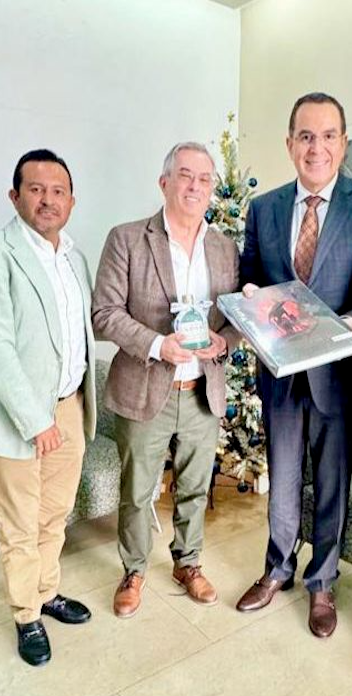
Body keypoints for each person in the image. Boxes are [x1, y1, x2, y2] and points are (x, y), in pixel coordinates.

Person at [236, 92, 352, 638]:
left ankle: (322, 582)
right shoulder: (265, 208)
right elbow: (249, 274)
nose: (316, 147)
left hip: (340, 374)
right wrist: (251, 295)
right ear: (290, 144)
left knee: (332, 482)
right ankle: (277, 569)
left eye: (328, 136)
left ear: (343, 143)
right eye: (305, 136)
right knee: (282, 477)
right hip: (282, 374)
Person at [0, 149, 97, 667]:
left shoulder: (75, 259)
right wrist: (37, 422)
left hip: (69, 408)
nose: (48, 200)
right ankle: (26, 614)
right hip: (18, 417)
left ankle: (46, 590)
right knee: (18, 522)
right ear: (15, 196)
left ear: (72, 201)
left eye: (58, 191)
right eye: (36, 189)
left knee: (54, 513)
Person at [92, 142, 239, 618]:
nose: (195, 186)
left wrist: (223, 341)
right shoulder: (128, 239)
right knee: (138, 491)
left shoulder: (224, 248)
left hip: (202, 392)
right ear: (164, 182)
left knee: (195, 487)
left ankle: (187, 563)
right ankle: (134, 570)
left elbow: (236, 316)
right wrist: (158, 344)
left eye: (204, 178)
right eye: (185, 175)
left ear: (212, 188)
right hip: (145, 388)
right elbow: (103, 313)